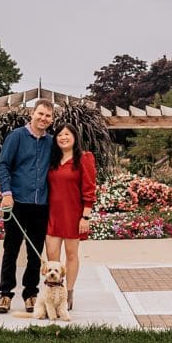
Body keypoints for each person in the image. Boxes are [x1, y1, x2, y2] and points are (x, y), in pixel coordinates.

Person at [0, 99, 54, 314]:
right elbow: (4, 165)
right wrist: (7, 194)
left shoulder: (51, 142)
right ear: (32, 113)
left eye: (48, 116)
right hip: (17, 202)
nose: (43, 118)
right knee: (10, 250)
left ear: (51, 119)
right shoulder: (17, 136)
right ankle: (5, 295)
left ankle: (31, 294)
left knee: (34, 252)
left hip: (41, 205)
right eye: (40, 114)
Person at [45, 122, 96, 311]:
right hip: (52, 214)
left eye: (67, 134)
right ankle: (54, 293)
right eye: (59, 135)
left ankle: (68, 293)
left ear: (75, 138)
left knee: (72, 255)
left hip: (74, 214)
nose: (63, 138)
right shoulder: (52, 160)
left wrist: (86, 217)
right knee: (52, 256)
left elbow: (89, 188)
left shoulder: (83, 158)